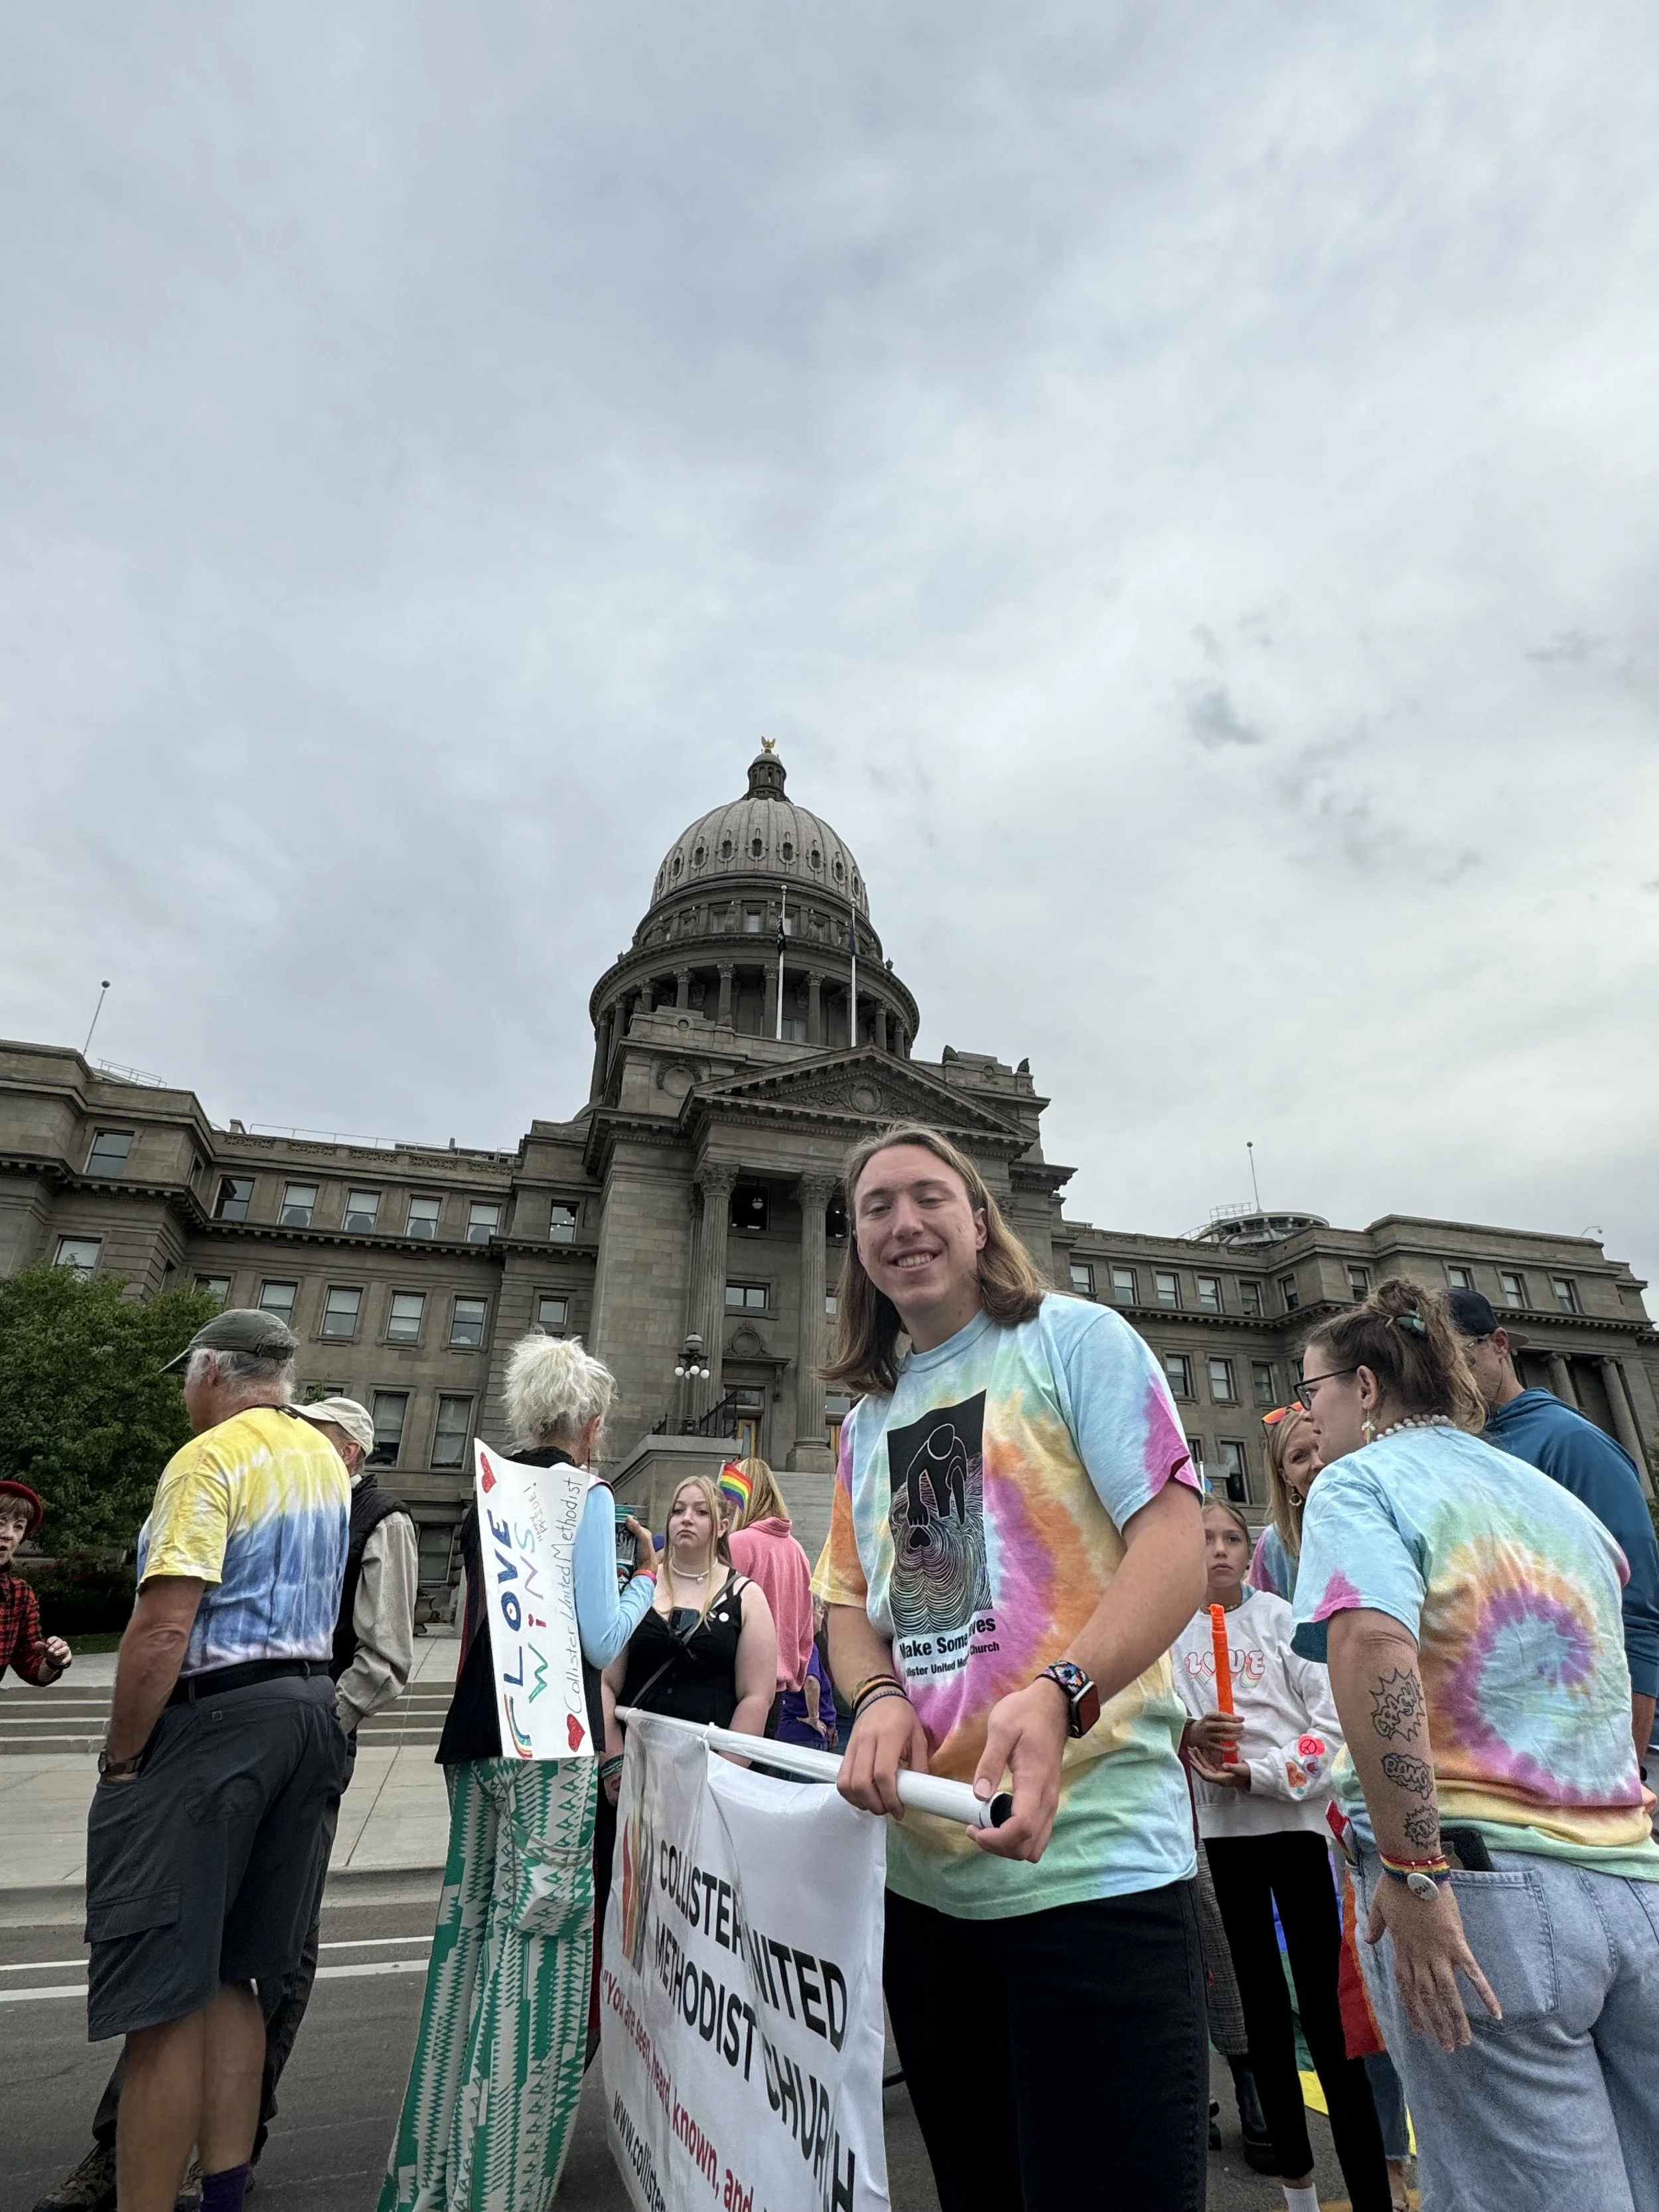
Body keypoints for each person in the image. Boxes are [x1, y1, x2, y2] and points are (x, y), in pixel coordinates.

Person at [815, 1123, 1209, 2212]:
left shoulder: (1075, 1341)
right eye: (876, 1206)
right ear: (855, 1247)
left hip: (1093, 1874)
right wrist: (883, 1696)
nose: (903, 1223)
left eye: (928, 1196)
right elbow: (861, 1605)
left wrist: (1061, 1689)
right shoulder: (875, 1419)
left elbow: (1175, 1545)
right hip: (932, 1894)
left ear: (980, 1220)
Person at [1291, 1277, 1659, 2212]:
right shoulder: (1557, 1500)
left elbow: (1373, 1644)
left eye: (1314, 1393)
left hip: (1481, 1896)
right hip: (1633, 1884)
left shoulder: (1358, 1480)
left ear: (1366, 1388)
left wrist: (1415, 1866)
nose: (1310, 1416)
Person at [42, 1399, 416, 2212]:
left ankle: (215, 2161)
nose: (299, 1446)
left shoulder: (369, 1514)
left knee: (231, 1968)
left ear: (349, 1448)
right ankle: (162, 2160)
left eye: (316, 1437)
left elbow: (385, 1654)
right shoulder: (291, 1494)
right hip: (276, 1726)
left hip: (272, 1734)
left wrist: (322, 1720)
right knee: (217, 1970)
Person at [76, 1308, 349, 2212]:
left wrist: (123, 1758)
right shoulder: (323, 1461)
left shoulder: (210, 1457)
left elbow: (163, 1622)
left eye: (187, 1376)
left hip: (216, 1724)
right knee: (238, 1976)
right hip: (309, 1714)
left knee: (163, 1993)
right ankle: (224, 2194)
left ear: (211, 1371)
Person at [380, 1336, 658, 2212]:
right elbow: (604, 1640)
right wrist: (645, 1577)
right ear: (591, 1422)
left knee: (470, 1945)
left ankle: (430, 2174)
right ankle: (497, 2184)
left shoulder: (486, 1494)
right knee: (537, 1958)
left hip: (475, 1737)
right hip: (552, 1740)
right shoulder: (587, 1494)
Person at [1175, 1497, 1390, 2212]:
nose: (1219, 1551)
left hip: (1297, 1834)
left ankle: (1368, 2193)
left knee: (1330, 2022)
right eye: (1204, 1539)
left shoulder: (1281, 1621)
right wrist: (1187, 1737)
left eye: (1232, 1537)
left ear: (1249, 1548)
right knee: (1262, 2016)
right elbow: (1159, 1727)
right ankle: (1297, 2194)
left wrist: (1262, 1774)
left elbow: (1330, 1728)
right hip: (1225, 1839)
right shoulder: (1169, 1636)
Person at [1245, 1405, 1416, 2207]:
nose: (1312, 1466)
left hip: (1399, 1774)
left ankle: (1429, 2162)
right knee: (1360, 1990)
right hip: (1331, 1799)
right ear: (1281, 1474)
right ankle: (1386, 2159)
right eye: (1297, 1456)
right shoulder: (1276, 1553)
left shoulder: (1392, 1514)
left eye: (1320, 1448)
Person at [1449, 1286, 1659, 1767]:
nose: (1452, 1376)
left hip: (1589, 1741)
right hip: (1506, 1742)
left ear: (1499, 1344)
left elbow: (1637, 1606)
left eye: (1462, 1356)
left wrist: (1625, 1766)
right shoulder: (1462, 1450)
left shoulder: (1571, 1442)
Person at [603, 1472, 776, 1740]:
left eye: (702, 1512)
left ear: (722, 1527)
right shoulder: (638, 1586)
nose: (687, 1518)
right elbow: (606, 1681)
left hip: (707, 1766)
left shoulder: (748, 1597)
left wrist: (723, 1773)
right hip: (632, 1765)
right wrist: (613, 1762)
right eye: (678, 1510)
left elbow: (756, 1698)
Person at [723, 1456, 814, 1730]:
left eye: (730, 1493)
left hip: (735, 1685)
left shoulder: (738, 1543)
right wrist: (792, 1671)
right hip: (777, 1692)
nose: (725, 1503)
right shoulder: (798, 1551)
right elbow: (806, 1627)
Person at [0, 1479, 72, 1685]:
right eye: (0, 1523)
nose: (9, 1535)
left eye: (19, 1527)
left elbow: (32, 1667)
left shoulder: (19, 1595)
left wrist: (53, 1661)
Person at [1246, 1404, 1319, 1601]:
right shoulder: (1275, 1544)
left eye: (1321, 1447)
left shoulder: (1379, 1517)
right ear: (1285, 1476)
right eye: (1299, 1457)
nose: (1318, 1463)